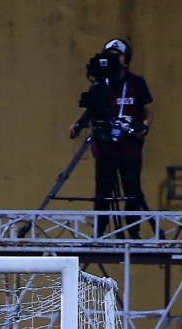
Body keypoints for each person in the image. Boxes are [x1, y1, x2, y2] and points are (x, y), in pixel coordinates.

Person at [70, 39, 154, 236]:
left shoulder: (136, 83)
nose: (114, 59)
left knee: (132, 190)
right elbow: (90, 109)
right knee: (103, 192)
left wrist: (144, 127)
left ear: (126, 59)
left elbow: (149, 112)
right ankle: (100, 233)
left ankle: (133, 232)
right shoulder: (101, 85)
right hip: (105, 146)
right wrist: (77, 125)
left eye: (119, 55)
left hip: (129, 147)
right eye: (110, 55)